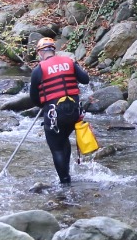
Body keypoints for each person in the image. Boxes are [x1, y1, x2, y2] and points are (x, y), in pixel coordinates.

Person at [27, 37, 91, 186]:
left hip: (54, 113)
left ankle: (65, 182)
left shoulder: (39, 70)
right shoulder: (69, 62)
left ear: (40, 53)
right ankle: (67, 175)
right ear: (53, 50)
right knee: (64, 140)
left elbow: (33, 97)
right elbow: (85, 80)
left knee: (57, 148)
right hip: (74, 112)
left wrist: (44, 106)